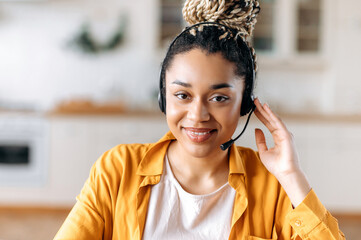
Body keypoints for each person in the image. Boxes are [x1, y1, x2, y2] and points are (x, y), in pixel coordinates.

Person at [54, 0, 345, 239]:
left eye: (219, 98)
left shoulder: (274, 185)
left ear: (244, 103)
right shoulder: (117, 170)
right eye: (182, 95)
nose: (198, 115)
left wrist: (293, 178)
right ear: (163, 97)